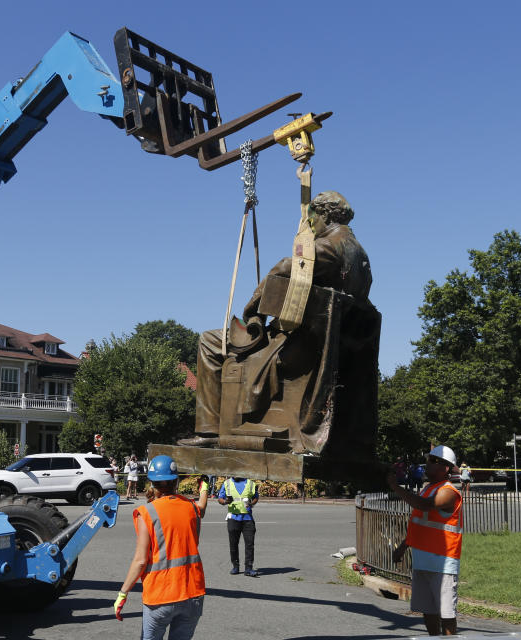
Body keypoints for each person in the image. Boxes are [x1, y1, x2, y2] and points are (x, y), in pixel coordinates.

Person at [184, 191, 375, 453]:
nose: (310, 224)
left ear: (325, 215)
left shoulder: (332, 245)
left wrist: (254, 310)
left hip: (302, 347)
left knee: (210, 340)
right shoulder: (360, 256)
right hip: (327, 347)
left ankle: (210, 431)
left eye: (313, 218)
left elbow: (289, 265)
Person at [115, 455, 210, 640]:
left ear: (152, 483)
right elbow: (202, 507)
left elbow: (141, 560)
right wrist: (204, 487)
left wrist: (123, 593)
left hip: (161, 596)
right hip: (193, 593)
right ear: (176, 481)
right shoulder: (191, 506)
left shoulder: (147, 512)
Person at [388, 445, 462, 636]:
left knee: (446, 614)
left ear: (445, 468)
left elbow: (423, 506)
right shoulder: (429, 489)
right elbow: (420, 523)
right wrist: (403, 546)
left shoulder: (448, 492)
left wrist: (395, 487)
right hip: (423, 560)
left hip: (443, 562)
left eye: (432, 461)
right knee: (428, 610)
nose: (426, 464)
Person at [217, 476, 260, 577]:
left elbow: (256, 497)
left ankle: (248, 568)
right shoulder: (227, 483)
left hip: (247, 518)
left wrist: (251, 503)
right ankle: (235, 566)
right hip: (233, 518)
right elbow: (220, 499)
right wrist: (226, 501)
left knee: (249, 544)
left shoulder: (250, 483)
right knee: (233, 544)